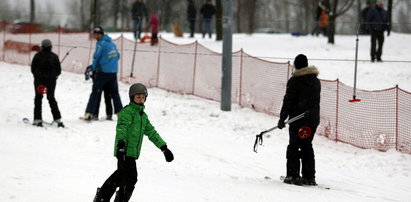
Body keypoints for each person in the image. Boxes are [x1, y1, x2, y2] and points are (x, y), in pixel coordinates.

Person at [93, 83, 174, 202]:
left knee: (122, 176)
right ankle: (109, 198)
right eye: (138, 97)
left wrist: (164, 148)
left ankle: (102, 196)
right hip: (124, 150)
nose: (141, 100)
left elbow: (152, 133)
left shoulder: (143, 116)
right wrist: (121, 144)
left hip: (132, 153)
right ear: (132, 98)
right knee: (130, 178)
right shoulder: (127, 112)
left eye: (143, 97)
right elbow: (122, 128)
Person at [277, 54, 321, 186]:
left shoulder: (294, 81)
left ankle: (292, 175)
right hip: (312, 120)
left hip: (298, 120)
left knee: (294, 146)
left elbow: (288, 101)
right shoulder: (315, 81)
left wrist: (282, 118)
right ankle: (309, 177)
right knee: (307, 145)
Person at [84, 26, 123, 121]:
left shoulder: (100, 44)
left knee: (96, 93)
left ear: (101, 34)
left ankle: (90, 113)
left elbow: (96, 57)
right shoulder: (112, 44)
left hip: (102, 73)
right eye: (94, 34)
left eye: (97, 34)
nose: (95, 36)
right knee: (114, 94)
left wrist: (92, 68)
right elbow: (117, 56)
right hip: (113, 73)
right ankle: (120, 114)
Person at [31, 39, 64, 128]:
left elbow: (33, 69)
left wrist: (37, 76)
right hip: (51, 81)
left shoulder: (37, 56)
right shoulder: (54, 56)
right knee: (51, 98)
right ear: (50, 47)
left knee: (38, 98)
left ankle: (37, 119)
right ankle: (57, 119)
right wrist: (54, 76)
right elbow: (59, 70)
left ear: (42, 46)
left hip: (40, 81)